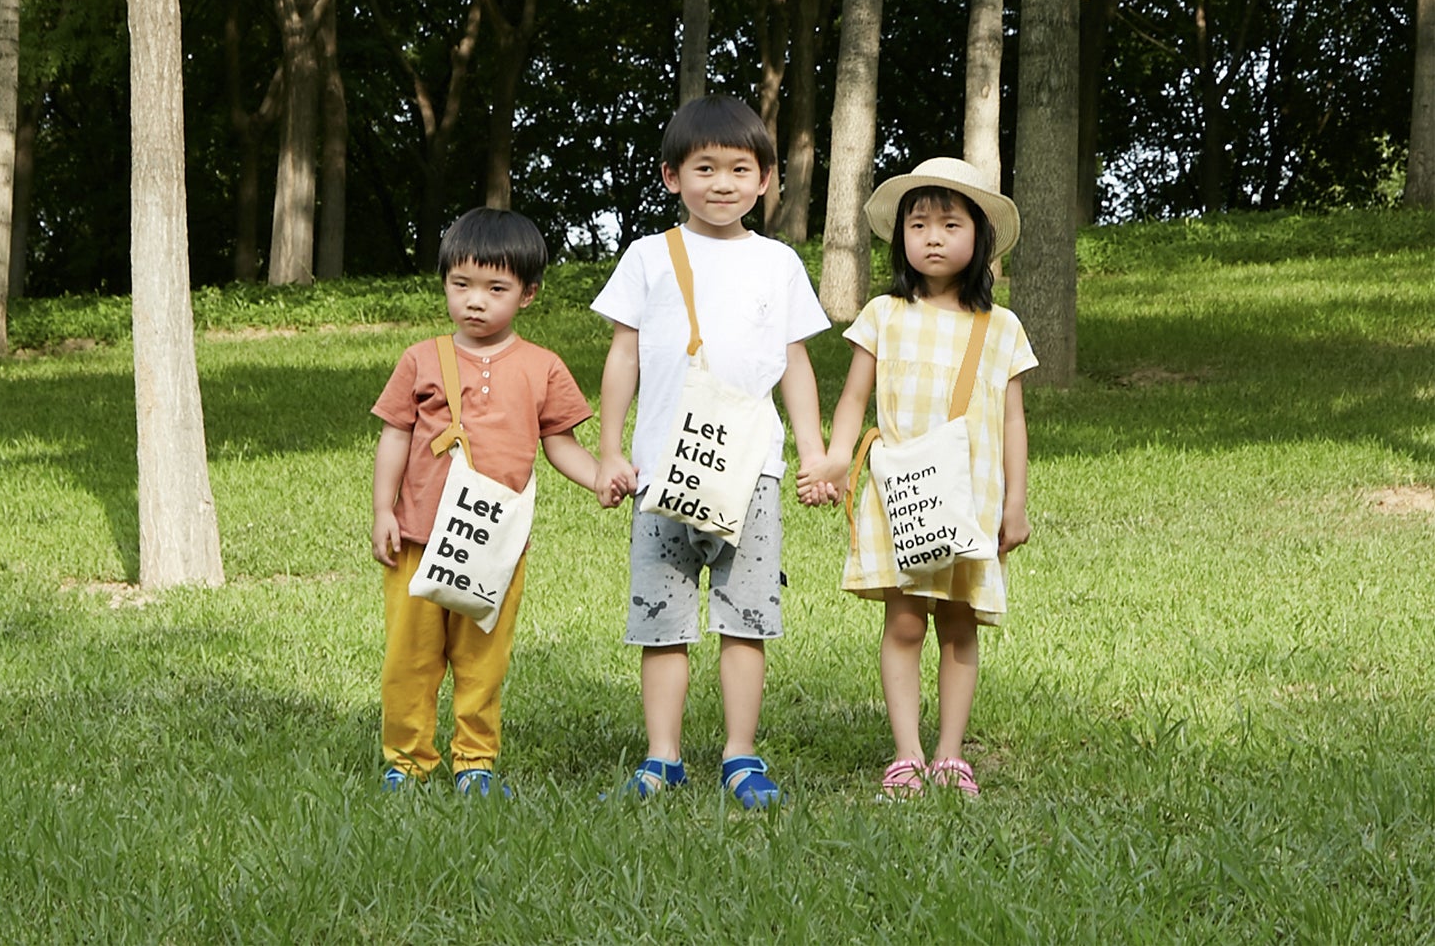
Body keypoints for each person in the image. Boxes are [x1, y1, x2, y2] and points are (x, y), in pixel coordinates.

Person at [592, 95, 829, 808]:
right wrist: (609, 449)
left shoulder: (777, 262)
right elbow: (623, 354)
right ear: (671, 176)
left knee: (743, 613)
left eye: (739, 169)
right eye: (703, 168)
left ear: (765, 181)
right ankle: (662, 754)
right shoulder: (646, 256)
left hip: (748, 474)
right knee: (660, 618)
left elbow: (795, 362)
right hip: (662, 469)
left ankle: (739, 751)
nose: (721, 183)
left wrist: (814, 450)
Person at [797, 157, 1036, 799]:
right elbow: (852, 399)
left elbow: (1013, 422)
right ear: (900, 236)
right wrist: (834, 458)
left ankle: (951, 754)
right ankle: (905, 755)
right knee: (904, 623)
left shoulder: (1001, 327)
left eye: (949, 224)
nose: (932, 236)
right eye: (918, 223)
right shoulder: (884, 313)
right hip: (902, 495)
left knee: (959, 623)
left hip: (971, 499)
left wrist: (1016, 502)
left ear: (979, 235)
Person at [370, 206, 612, 796]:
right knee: (411, 657)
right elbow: (395, 433)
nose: (475, 301)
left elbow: (561, 443)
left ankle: (474, 762)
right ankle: (407, 761)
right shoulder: (421, 358)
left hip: (495, 546)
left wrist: (601, 477)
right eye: (461, 285)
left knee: (482, 660)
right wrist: (383, 510)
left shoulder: (542, 367)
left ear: (527, 295)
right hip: (419, 539)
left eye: (495, 288)